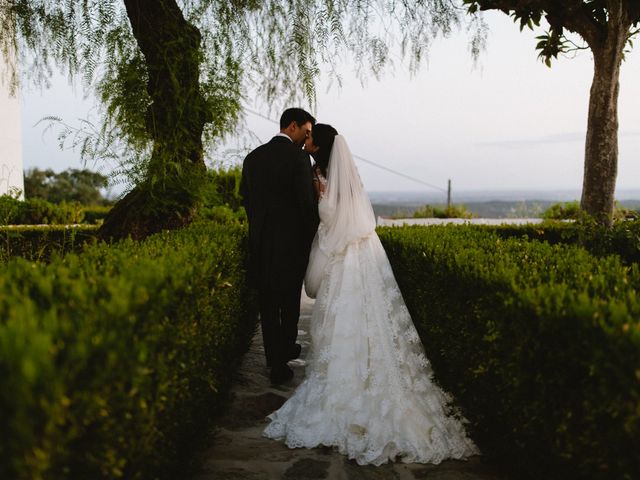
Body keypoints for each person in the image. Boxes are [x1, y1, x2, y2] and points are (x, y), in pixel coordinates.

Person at [263, 125, 479, 465]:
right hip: (364, 252)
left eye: (309, 139)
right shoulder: (346, 176)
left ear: (318, 144)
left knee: (348, 318)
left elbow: (331, 218)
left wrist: (320, 203)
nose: (304, 143)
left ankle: (350, 390)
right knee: (366, 317)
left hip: (344, 256)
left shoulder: (322, 177)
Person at [240, 108, 320, 385]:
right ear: (293, 126)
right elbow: (306, 206)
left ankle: (275, 360)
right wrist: (311, 239)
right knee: (289, 304)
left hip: (260, 244)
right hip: (291, 247)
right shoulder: (298, 159)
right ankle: (284, 354)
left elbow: (246, 199)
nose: (307, 139)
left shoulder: (253, 158)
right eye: (306, 132)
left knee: (268, 306)